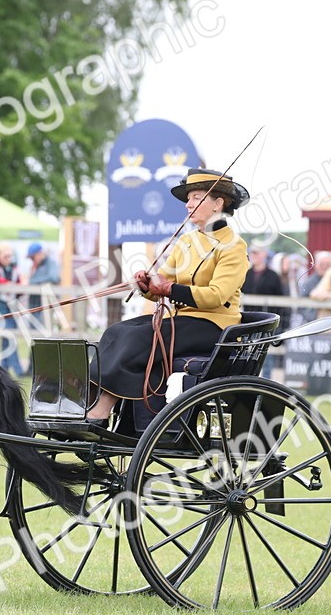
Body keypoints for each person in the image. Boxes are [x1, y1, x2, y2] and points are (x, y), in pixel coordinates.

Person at [85, 168, 251, 423]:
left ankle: (103, 407)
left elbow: (216, 296)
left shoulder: (234, 246)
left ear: (218, 203)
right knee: (116, 331)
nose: (189, 204)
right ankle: (95, 399)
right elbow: (160, 284)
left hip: (214, 327)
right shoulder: (186, 242)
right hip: (181, 321)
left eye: (197, 197)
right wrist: (146, 285)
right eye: (189, 199)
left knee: (136, 336)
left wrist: (169, 289)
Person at [241, 245, 287, 378]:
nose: (254, 256)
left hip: (267, 321)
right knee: (247, 352)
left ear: (264, 255)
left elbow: (281, 299)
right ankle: (247, 379)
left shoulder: (273, 276)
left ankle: (266, 381)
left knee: (267, 353)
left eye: (257, 253)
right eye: (252, 253)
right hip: (249, 320)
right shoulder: (246, 274)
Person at [0, 242, 25, 376]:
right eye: (5, 256)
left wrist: (19, 287)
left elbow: (19, 286)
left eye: (10, 256)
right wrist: (6, 283)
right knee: (9, 336)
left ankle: (4, 370)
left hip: (9, 308)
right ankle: (17, 370)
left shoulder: (13, 269)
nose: (8, 259)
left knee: (8, 336)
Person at [297, 251, 331, 322]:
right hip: (313, 323)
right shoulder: (309, 282)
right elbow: (301, 305)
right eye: (322, 264)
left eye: (327, 264)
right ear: (316, 265)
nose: (324, 267)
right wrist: (313, 319)